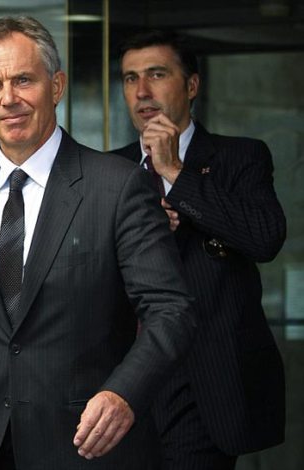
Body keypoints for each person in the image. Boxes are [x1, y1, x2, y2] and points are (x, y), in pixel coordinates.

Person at [0, 16, 196, 470]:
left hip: (84, 447)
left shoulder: (117, 186)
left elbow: (171, 311)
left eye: (23, 80)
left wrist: (123, 394)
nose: (8, 99)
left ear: (56, 86)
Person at [112, 29, 286, 470]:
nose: (142, 91)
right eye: (131, 78)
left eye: (156, 74)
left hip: (204, 382)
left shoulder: (240, 157)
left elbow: (264, 238)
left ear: (191, 85)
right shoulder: (108, 169)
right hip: (124, 381)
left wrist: (174, 171)